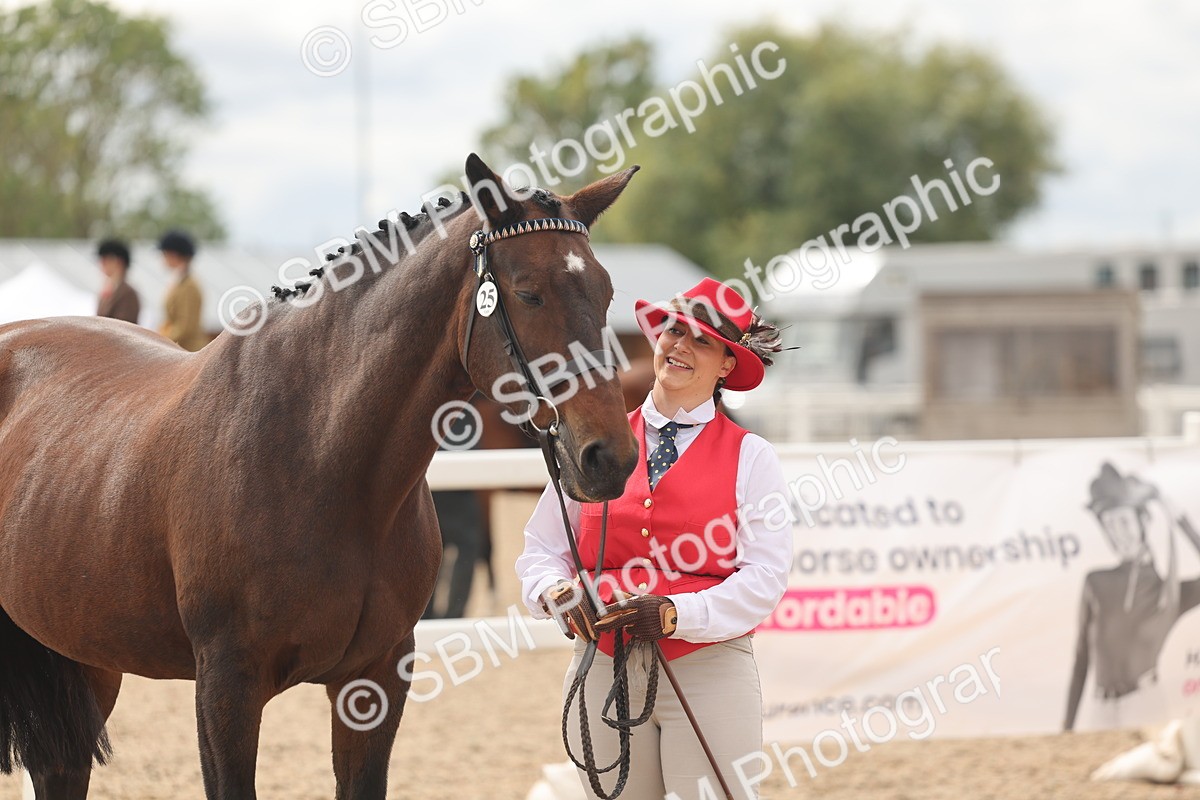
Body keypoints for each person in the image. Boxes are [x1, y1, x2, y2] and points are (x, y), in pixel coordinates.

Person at [516, 277, 793, 800]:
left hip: (707, 666)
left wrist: (674, 614)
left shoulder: (753, 457)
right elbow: (542, 550)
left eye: (703, 340)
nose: (680, 346)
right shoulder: (595, 446)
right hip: (602, 662)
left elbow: (765, 577)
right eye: (673, 330)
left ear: (727, 365)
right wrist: (556, 593)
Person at [1064, 462, 1200, 732]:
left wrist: (1179, 517)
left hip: (1145, 706)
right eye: (1110, 524)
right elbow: (1082, 657)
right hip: (1100, 711)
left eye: (1124, 521)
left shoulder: (1170, 593)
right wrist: (1067, 726)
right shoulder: (1096, 582)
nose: (1118, 532)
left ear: (1144, 521)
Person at [157, 229, 207, 351]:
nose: (163, 259)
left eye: (164, 254)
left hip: (188, 351)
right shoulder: (180, 282)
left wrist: (158, 341)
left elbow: (185, 327)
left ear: (174, 255)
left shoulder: (189, 286)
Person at [95, 238, 140, 324]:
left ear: (118, 262)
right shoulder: (109, 289)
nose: (102, 264)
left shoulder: (128, 293)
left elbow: (123, 325)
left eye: (105, 260)